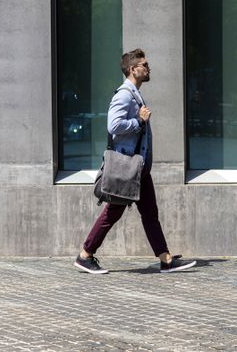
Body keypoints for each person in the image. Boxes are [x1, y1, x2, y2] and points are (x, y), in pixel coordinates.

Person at [74, 48, 196, 274]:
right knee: (113, 213)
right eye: (145, 65)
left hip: (137, 168)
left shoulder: (134, 94)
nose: (149, 68)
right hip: (127, 168)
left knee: (149, 214)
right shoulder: (124, 95)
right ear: (133, 69)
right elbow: (113, 125)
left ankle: (165, 259)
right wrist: (139, 122)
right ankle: (85, 255)